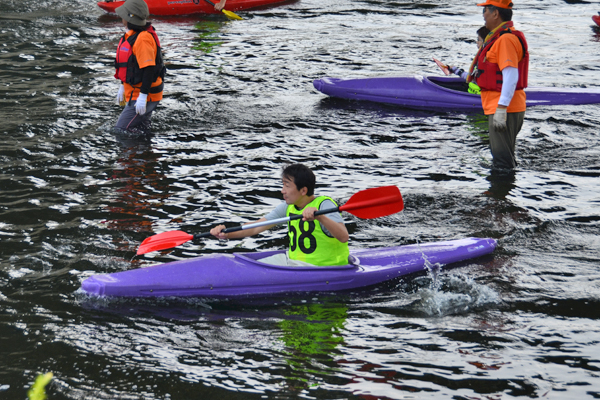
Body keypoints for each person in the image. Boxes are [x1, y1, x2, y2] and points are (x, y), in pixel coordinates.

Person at [210, 164, 350, 266]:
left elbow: (343, 237)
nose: (282, 191)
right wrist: (227, 234)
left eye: (287, 186)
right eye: (283, 185)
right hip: (294, 263)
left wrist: (320, 217)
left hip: (323, 269)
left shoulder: (325, 205)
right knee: (254, 265)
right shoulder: (288, 207)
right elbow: (255, 227)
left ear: (303, 190)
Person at [466, 0, 529, 170]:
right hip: (505, 106)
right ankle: (502, 193)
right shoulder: (500, 37)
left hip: (505, 108)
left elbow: (511, 75)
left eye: (486, 10)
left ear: (496, 13)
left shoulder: (505, 40)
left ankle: (499, 195)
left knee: (502, 161)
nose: (483, 15)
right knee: (504, 158)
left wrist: (501, 108)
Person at [114, 0, 165, 135]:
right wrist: (122, 85)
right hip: (135, 92)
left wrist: (143, 96)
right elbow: (129, 65)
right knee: (141, 129)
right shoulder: (130, 36)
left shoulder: (142, 39)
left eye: (124, 15)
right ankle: (145, 153)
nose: (121, 17)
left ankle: (134, 154)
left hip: (144, 94)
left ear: (131, 18)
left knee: (121, 130)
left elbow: (149, 69)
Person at [447, 26, 491, 95]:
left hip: (474, 94)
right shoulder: (485, 57)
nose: (477, 42)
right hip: (473, 91)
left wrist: (456, 70)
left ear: (485, 42)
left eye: (478, 39)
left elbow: (472, 78)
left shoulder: (485, 60)